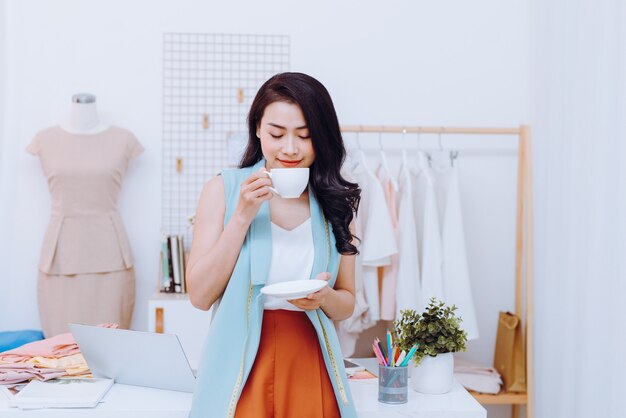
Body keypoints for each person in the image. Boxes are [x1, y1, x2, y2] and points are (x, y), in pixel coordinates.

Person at [187, 72, 361, 418]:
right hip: (241, 357)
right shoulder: (223, 190)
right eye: (277, 134)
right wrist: (241, 217)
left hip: (311, 357)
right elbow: (200, 296)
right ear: (257, 128)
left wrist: (324, 298)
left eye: (305, 135)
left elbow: (347, 303)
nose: (290, 149)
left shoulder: (337, 202)